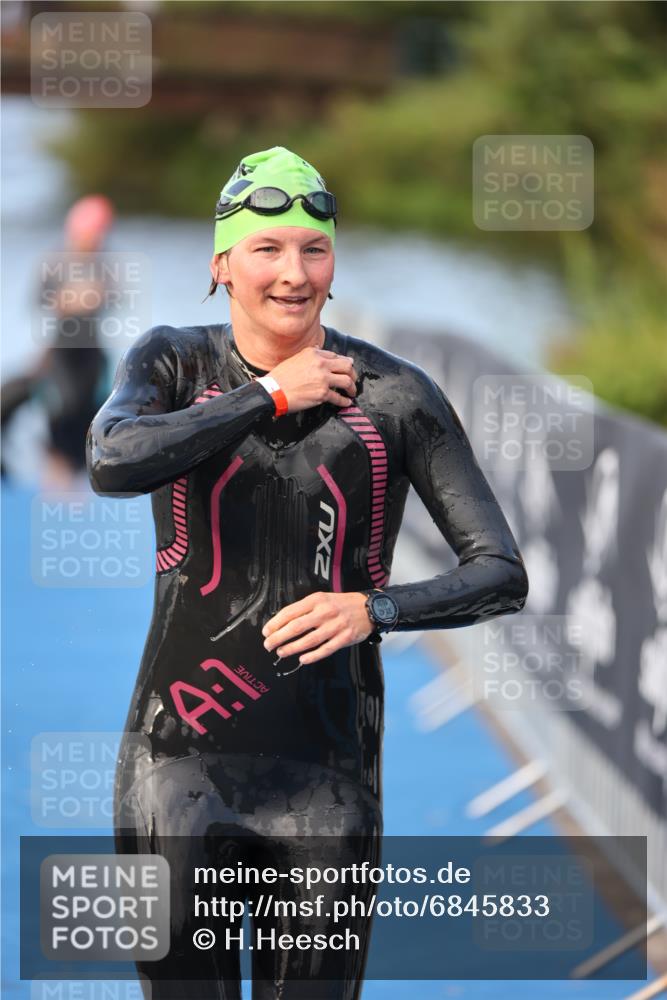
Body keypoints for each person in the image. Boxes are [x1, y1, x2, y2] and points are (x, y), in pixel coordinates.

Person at [86, 146, 529, 999]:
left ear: (333, 262)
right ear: (221, 264)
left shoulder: (396, 396)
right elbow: (111, 459)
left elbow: (498, 572)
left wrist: (376, 610)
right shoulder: (172, 364)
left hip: (328, 782)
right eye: (267, 249)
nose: (293, 273)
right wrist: (269, 395)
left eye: (313, 250)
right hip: (173, 768)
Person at [1, 194, 114, 489]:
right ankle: (53, 477)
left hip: (90, 351)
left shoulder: (104, 263)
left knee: (87, 415)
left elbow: (111, 298)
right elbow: (41, 301)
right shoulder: (55, 261)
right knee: (60, 409)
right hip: (61, 350)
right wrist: (70, 301)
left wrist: (89, 298)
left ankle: (77, 483)